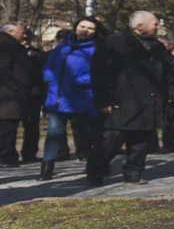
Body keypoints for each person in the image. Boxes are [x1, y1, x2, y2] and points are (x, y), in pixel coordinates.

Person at [90, 11, 174, 184]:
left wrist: (171, 89)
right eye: (155, 24)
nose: (158, 27)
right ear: (140, 26)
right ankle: (96, 171)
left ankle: (133, 172)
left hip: (149, 100)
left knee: (141, 140)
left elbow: (168, 72)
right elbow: (100, 73)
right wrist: (104, 99)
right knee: (112, 139)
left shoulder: (157, 46)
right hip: (121, 99)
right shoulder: (114, 42)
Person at [39, 17, 105, 182]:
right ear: (76, 27)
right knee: (53, 134)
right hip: (58, 99)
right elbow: (49, 65)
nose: (85, 30)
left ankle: (98, 166)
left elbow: (101, 74)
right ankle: (46, 169)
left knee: (90, 135)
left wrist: (79, 80)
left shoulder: (98, 49)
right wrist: (49, 78)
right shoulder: (62, 47)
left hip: (82, 99)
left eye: (90, 28)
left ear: (96, 32)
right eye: (82, 26)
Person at [0, 21, 32, 167]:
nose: (23, 34)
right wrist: (16, 87)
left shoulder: (11, 45)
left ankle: (10, 155)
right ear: (11, 32)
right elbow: (3, 69)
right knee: (7, 127)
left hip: (9, 94)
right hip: (8, 95)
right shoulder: (7, 44)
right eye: (21, 31)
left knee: (9, 127)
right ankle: (5, 156)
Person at [20, 29, 45, 163]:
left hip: (33, 94)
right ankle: (7, 154)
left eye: (27, 38)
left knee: (31, 126)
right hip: (17, 94)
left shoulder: (37, 54)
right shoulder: (12, 52)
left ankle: (29, 154)